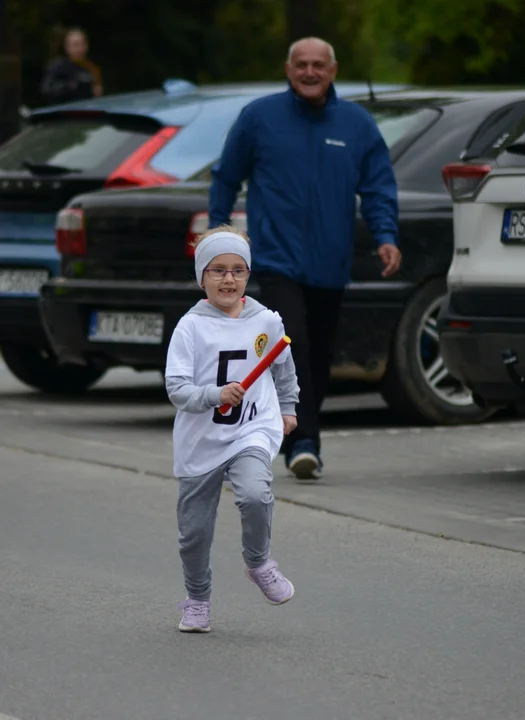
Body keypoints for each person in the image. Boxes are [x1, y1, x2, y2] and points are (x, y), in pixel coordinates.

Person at [209, 37, 402, 483]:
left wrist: (386, 237)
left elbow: (377, 188)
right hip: (277, 259)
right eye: (302, 65)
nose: (310, 72)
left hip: (331, 263)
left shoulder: (356, 124)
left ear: (333, 71)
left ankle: (291, 433)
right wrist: (219, 235)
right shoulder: (259, 117)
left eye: (319, 65)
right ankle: (305, 443)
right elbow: (226, 176)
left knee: (319, 355)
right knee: (291, 344)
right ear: (288, 69)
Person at [164, 225, 300, 633]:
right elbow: (177, 388)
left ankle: (258, 561)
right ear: (202, 277)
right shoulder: (190, 327)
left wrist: (288, 407)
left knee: (257, 495)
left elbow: (283, 367)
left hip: (251, 429)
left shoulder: (267, 321)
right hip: (200, 441)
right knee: (194, 534)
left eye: (237, 270)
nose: (228, 279)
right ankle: (197, 599)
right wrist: (213, 394)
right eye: (218, 270)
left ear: (247, 275)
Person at [39, 26, 103, 105]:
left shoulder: (90, 67)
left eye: (83, 44)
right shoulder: (58, 67)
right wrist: (71, 86)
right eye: (75, 45)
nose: (80, 49)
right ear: (67, 47)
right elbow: (47, 90)